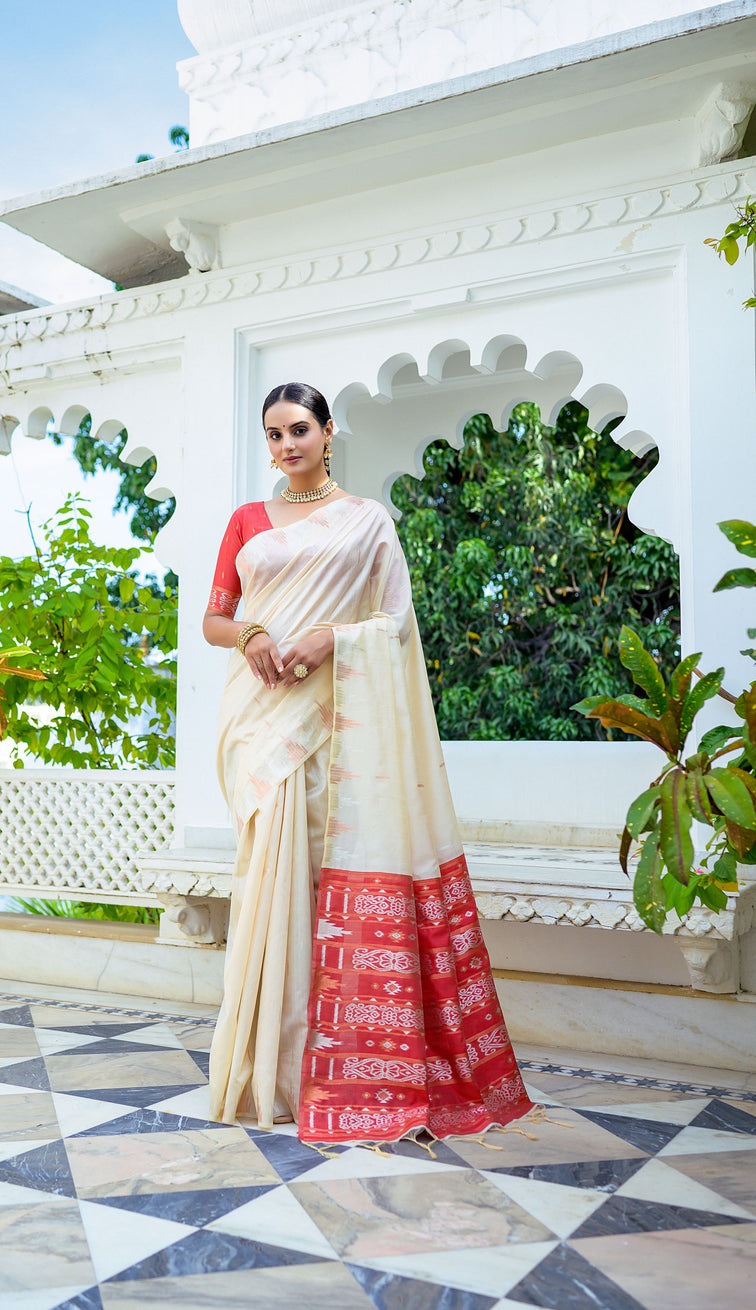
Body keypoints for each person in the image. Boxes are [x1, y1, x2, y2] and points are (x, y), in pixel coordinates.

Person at [202, 381, 532, 1145]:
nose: (286, 447)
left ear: (326, 434)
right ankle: (269, 1073)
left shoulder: (366, 522)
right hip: (263, 722)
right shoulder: (247, 520)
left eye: (298, 431)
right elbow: (215, 619)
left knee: (322, 889)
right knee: (269, 889)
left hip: (338, 725)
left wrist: (330, 638)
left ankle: (339, 1064)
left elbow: (395, 620)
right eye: (274, 435)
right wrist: (253, 636)